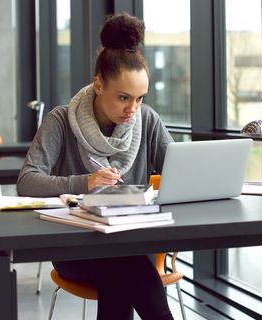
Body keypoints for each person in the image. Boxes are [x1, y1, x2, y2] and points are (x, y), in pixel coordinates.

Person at [17, 13, 175, 320]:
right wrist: (84, 182)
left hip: (130, 243)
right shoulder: (60, 121)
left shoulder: (148, 121)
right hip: (75, 248)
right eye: (123, 98)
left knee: (122, 265)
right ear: (98, 84)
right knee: (126, 265)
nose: (133, 109)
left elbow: (181, 171)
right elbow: (27, 181)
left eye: (140, 98)